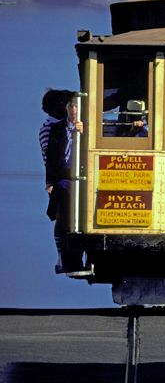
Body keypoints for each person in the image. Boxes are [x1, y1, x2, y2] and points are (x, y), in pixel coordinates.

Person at [45, 94, 84, 273]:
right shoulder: (57, 129)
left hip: (84, 179)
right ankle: (63, 256)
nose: (74, 110)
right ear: (67, 108)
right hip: (63, 179)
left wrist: (83, 134)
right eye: (71, 106)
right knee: (62, 217)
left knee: (81, 219)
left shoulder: (89, 128)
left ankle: (76, 258)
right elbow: (51, 158)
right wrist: (49, 182)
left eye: (77, 106)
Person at [39, 89, 74, 165]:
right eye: (70, 105)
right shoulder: (48, 129)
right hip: (62, 175)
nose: (73, 109)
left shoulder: (70, 126)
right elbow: (54, 158)